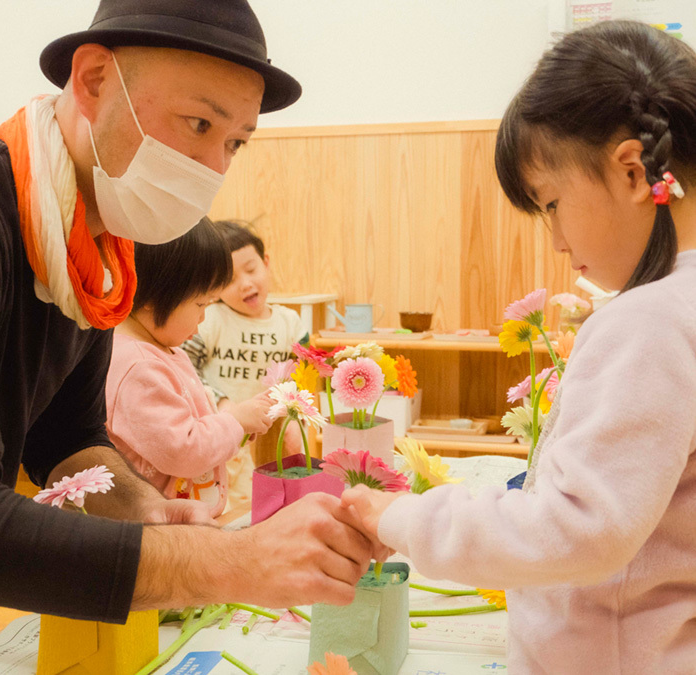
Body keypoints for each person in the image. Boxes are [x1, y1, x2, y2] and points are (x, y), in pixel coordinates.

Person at [0, 2, 377, 672]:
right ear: (95, 79)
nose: (212, 167)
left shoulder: (93, 255)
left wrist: (146, 511)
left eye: (235, 142)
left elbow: (66, 438)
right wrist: (222, 561)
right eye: (198, 123)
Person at [343, 20, 696, 674]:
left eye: (551, 204)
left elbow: (575, 528)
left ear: (632, 172)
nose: (556, 241)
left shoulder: (648, 320)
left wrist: (400, 516)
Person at [106, 218, 273, 518]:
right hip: (161, 530)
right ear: (154, 297)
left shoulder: (160, 349)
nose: (203, 318)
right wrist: (235, 421)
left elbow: (193, 422)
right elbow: (183, 449)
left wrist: (237, 428)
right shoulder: (138, 367)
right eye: (201, 304)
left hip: (184, 519)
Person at [183, 220, 309, 503]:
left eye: (251, 270)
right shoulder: (209, 319)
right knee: (228, 510)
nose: (246, 284)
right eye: (228, 280)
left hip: (272, 443)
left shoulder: (290, 323)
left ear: (266, 263)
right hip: (223, 439)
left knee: (269, 504)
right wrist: (223, 403)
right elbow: (185, 369)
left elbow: (303, 378)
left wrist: (294, 416)